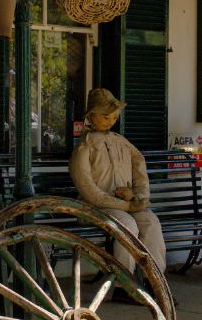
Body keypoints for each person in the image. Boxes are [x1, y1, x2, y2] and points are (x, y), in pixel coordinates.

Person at [69, 88, 164, 292]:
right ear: (90, 116)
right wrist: (125, 205)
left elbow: (139, 165)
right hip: (94, 208)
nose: (110, 120)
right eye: (105, 116)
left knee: (151, 222)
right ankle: (126, 285)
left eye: (114, 116)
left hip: (127, 204)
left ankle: (155, 284)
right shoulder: (84, 147)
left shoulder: (121, 142)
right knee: (126, 225)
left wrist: (139, 196)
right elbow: (89, 190)